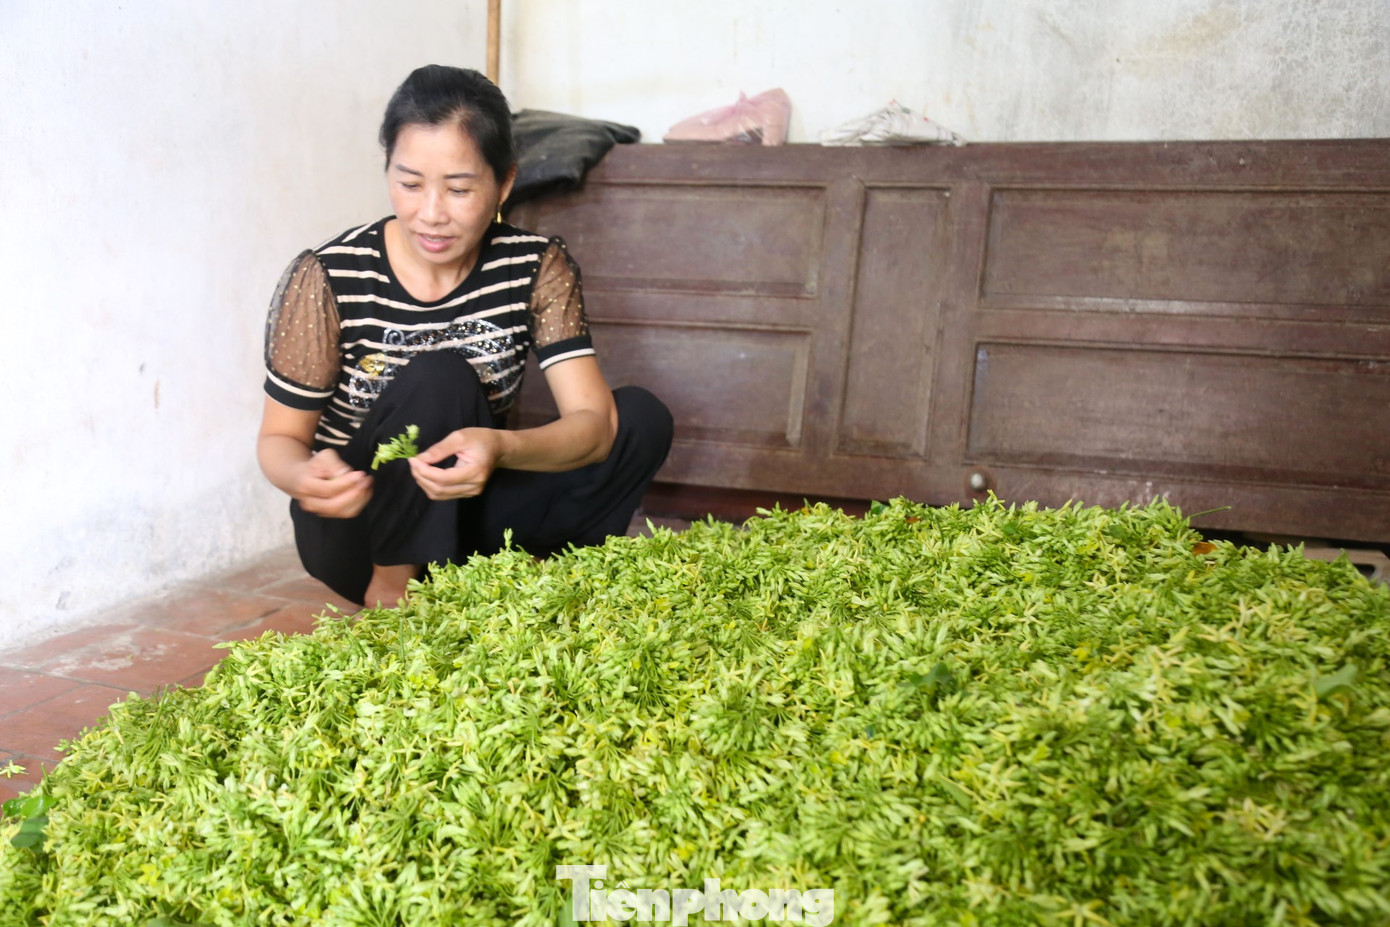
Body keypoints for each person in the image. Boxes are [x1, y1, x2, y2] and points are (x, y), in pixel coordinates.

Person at [256, 65, 673, 608]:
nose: (430, 215)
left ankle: (518, 583)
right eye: (409, 183)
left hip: (467, 504)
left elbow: (593, 428)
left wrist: (501, 447)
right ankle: (395, 590)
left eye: (458, 189)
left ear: (503, 184)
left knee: (640, 419)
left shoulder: (534, 265)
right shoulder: (330, 276)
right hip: (360, 526)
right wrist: (305, 475)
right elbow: (278, 441)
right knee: (440, 375)